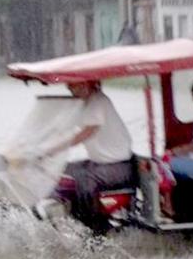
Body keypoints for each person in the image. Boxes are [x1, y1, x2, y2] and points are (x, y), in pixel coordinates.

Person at [41, 80, 135, 233]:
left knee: (82, 181)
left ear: (86, 83)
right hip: (101, 164)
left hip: (117, 167)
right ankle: (63, 211)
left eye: (73, 84)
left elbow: (87, 132)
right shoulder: (86, 104)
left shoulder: (98, 101)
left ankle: (94, 230)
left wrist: (54, 149)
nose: (69, 88)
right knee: (65, 170)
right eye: (69, 85)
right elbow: (66, 125)